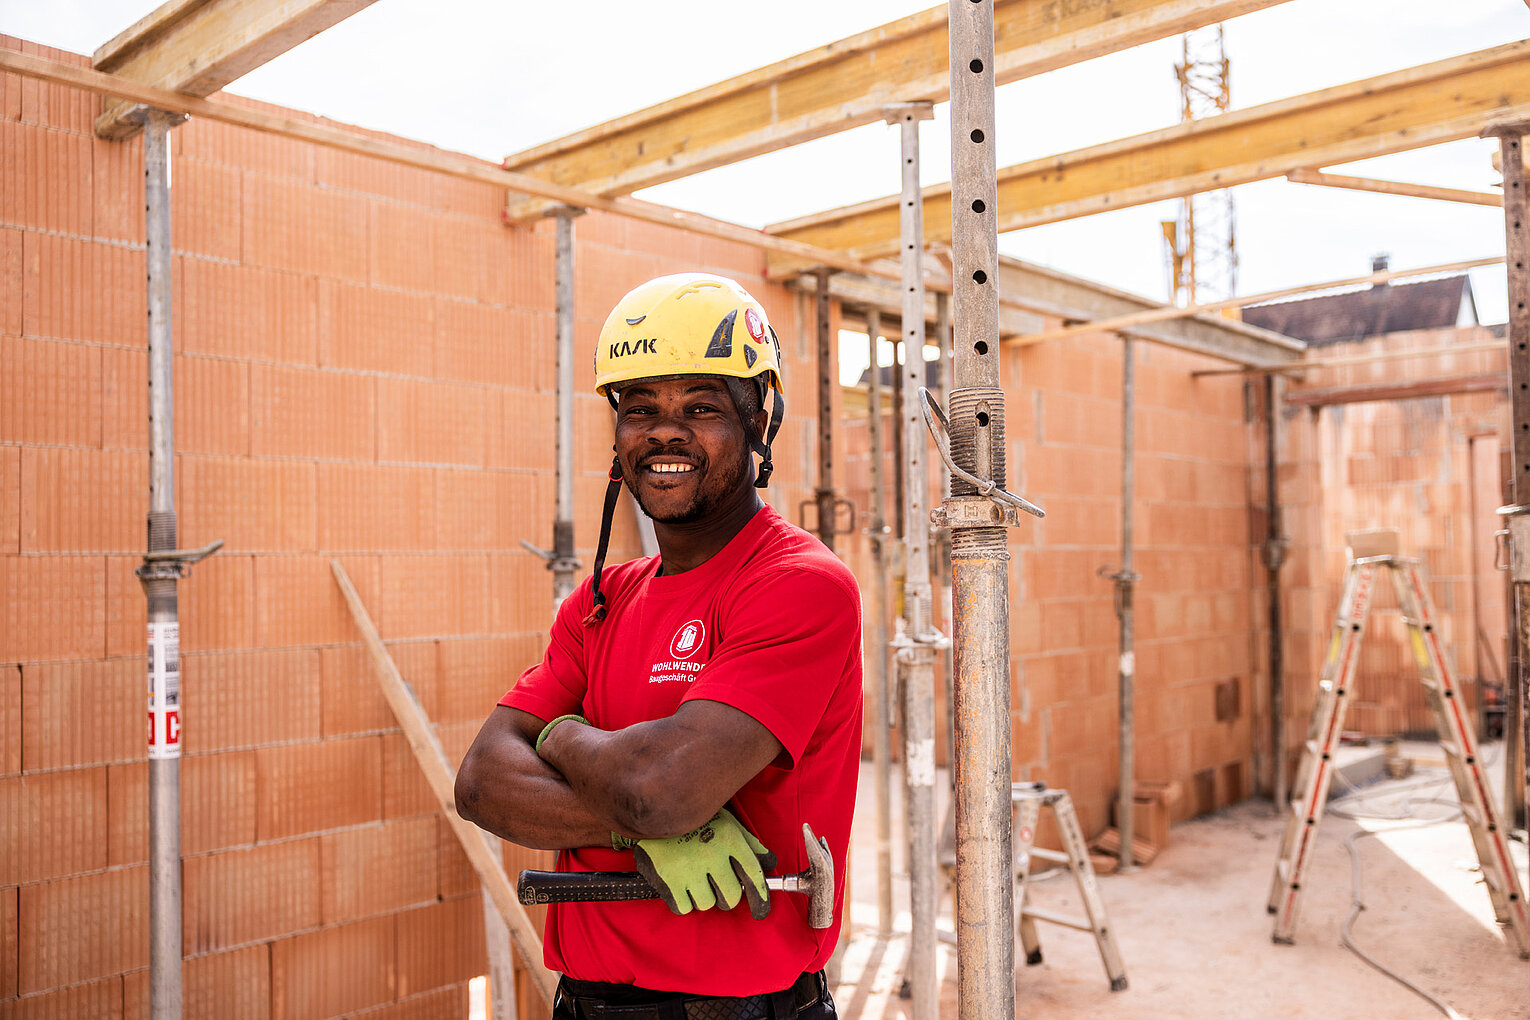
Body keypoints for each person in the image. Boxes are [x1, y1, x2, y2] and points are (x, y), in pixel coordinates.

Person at [456, 272, 863, 1020]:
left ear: (756, 422)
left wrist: (565, 736)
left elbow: (662, 788)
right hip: (584, 1000)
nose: (665, 432)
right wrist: (636, 830)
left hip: (738, 1008)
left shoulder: (801, 584)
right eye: (641, 409)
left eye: (700, 408)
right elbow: (482, 781)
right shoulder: (600, 601)